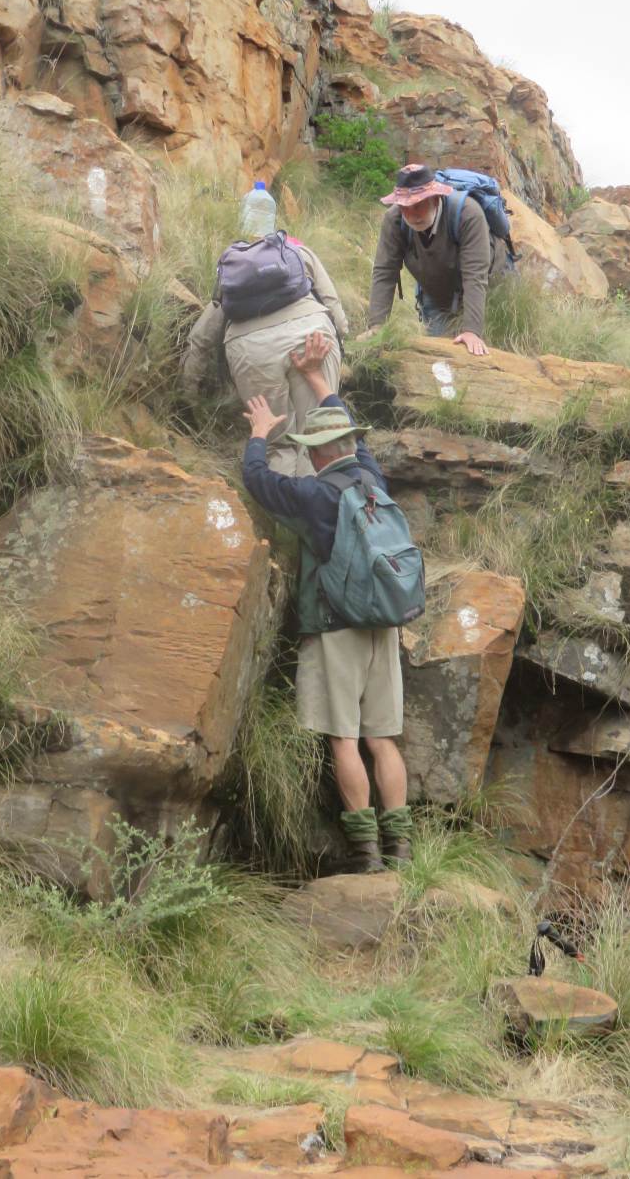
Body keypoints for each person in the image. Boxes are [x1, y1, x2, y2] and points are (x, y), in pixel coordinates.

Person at [241, 329, 412, 872]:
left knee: (344, 739)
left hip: (337, 626)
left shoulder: (315, 495)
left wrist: (261, 433)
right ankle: (402, 851)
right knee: (382, 740)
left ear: (318, 454)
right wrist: (318, 379)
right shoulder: (372, 479)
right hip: (385, 622)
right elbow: (345, 425)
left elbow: (258, 481)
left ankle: (366, 856)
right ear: (351, 446)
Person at [182, 238, 348, 476]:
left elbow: (200, 339)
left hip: (251, 350)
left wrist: (188, 396)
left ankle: (282, 508)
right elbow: (337, 314)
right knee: (319, 432)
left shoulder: (236, 273)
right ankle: (325, 504)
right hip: (311, 337)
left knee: (277, 444)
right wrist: (338, 344)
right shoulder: (299, 252)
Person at [364, 163, 507, 355]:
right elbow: (384, 272)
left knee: (479, 349)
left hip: (487, 288)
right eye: (405, 206)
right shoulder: (394, 220)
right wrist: (377, 327)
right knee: (439, 357)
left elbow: (475, 276)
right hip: (436, 290)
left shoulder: (468, 214)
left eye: (419, 205)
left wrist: (471, 331)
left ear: (436, 198)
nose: (412, 215)